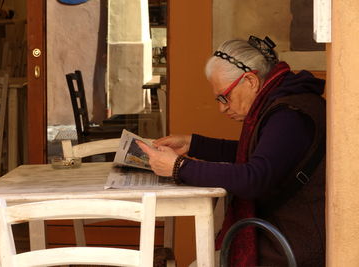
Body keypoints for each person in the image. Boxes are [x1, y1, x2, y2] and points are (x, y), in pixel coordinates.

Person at [137, 36, 325, 267]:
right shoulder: (284, 100)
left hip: (292, 246)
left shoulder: (289, 115)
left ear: (250, 81)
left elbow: (253, 178)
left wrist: (179, 167)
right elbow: (259, 154)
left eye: (224, 97)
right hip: (282, 235)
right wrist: (194, 144)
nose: (222, 107)